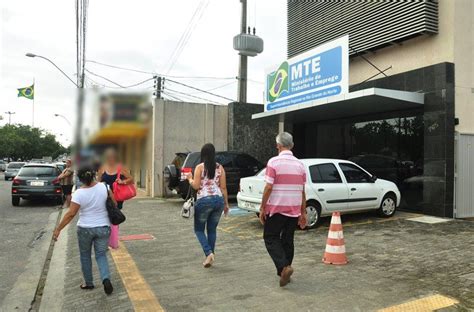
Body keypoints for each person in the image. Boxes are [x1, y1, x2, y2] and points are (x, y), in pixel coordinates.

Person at [53, 166, 114, 295]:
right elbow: (113, 204)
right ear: (93, 175)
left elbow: (71, 214)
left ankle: (88, 283)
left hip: (85, 229)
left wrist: (58, 229)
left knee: (85, 256)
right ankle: (106, 279)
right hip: (103, 227)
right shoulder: (104, 187)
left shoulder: (79, 193)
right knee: (101, 255)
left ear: (80, 179)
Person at [259, 132, 307, 287]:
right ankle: (286, 269)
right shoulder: (300, 165)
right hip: (294, 208)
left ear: (278, 146)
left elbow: (268, 187)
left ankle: (284, 267)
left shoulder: (273, 162)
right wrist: (303, 212)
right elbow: (302, 190)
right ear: (292, 145)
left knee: (270, 237)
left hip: (277, 208)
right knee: (288, 239)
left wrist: (262, 207)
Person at [186, 143, 229, 268]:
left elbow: (195, 185)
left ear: (203, 154)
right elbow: (224, 187)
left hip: (204, 201)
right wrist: (226, 204)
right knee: (212, 229)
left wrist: (189, 178)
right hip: (218, 201)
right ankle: (210, 257)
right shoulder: (220, 167)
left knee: (199, 229)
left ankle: (209, 253)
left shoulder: (200, 167)